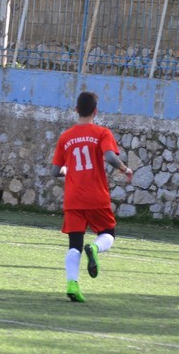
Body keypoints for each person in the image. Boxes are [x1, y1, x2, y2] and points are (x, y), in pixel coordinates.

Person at [51, 91, 133, 302]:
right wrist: (125, 169)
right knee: (108, 234)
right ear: (95, 111)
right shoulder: (102, 133)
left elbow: (55, 171)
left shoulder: (65, 137)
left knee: (74, 245)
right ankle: (95, 247)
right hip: (96, 196)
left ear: (76, 110)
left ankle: (72, 285)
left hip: (73, 199)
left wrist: (69, 170)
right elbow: (110, 157)